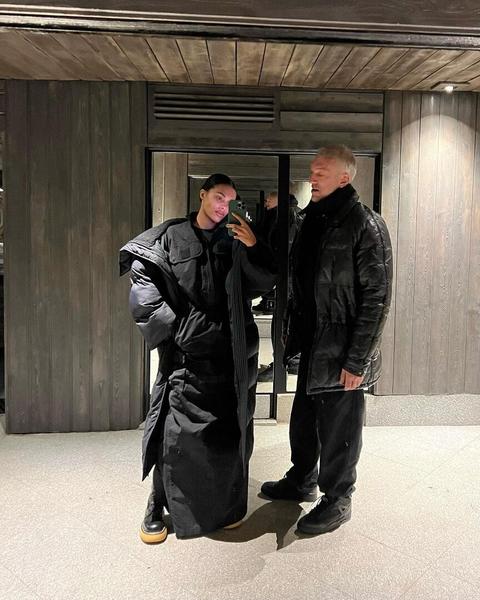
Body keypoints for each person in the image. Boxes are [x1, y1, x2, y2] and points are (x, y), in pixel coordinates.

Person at [120, 173, 276, 543]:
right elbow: (144, 285)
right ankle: (156, 504)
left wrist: (254, 247)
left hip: (229, 357)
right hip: (185, 359)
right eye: (219, 197)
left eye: (231, 200)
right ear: (203, 195)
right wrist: (176, 332)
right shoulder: (171, 236)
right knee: (173, 435)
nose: (224, 206)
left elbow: (262, 282)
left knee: (225, 436)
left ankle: (222, 508)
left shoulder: (236, 239)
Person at [261, 145, 393, 535]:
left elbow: (377, 298)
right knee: (303, 420)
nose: (313, 176)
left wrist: (357, 361)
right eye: (313, 170)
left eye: (322, 171)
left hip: (343, 351)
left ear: (344, 177)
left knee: (340, 430)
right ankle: (302, 478)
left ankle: (338, 499)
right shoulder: (311, 220)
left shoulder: (366, 225)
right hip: (312, 344)